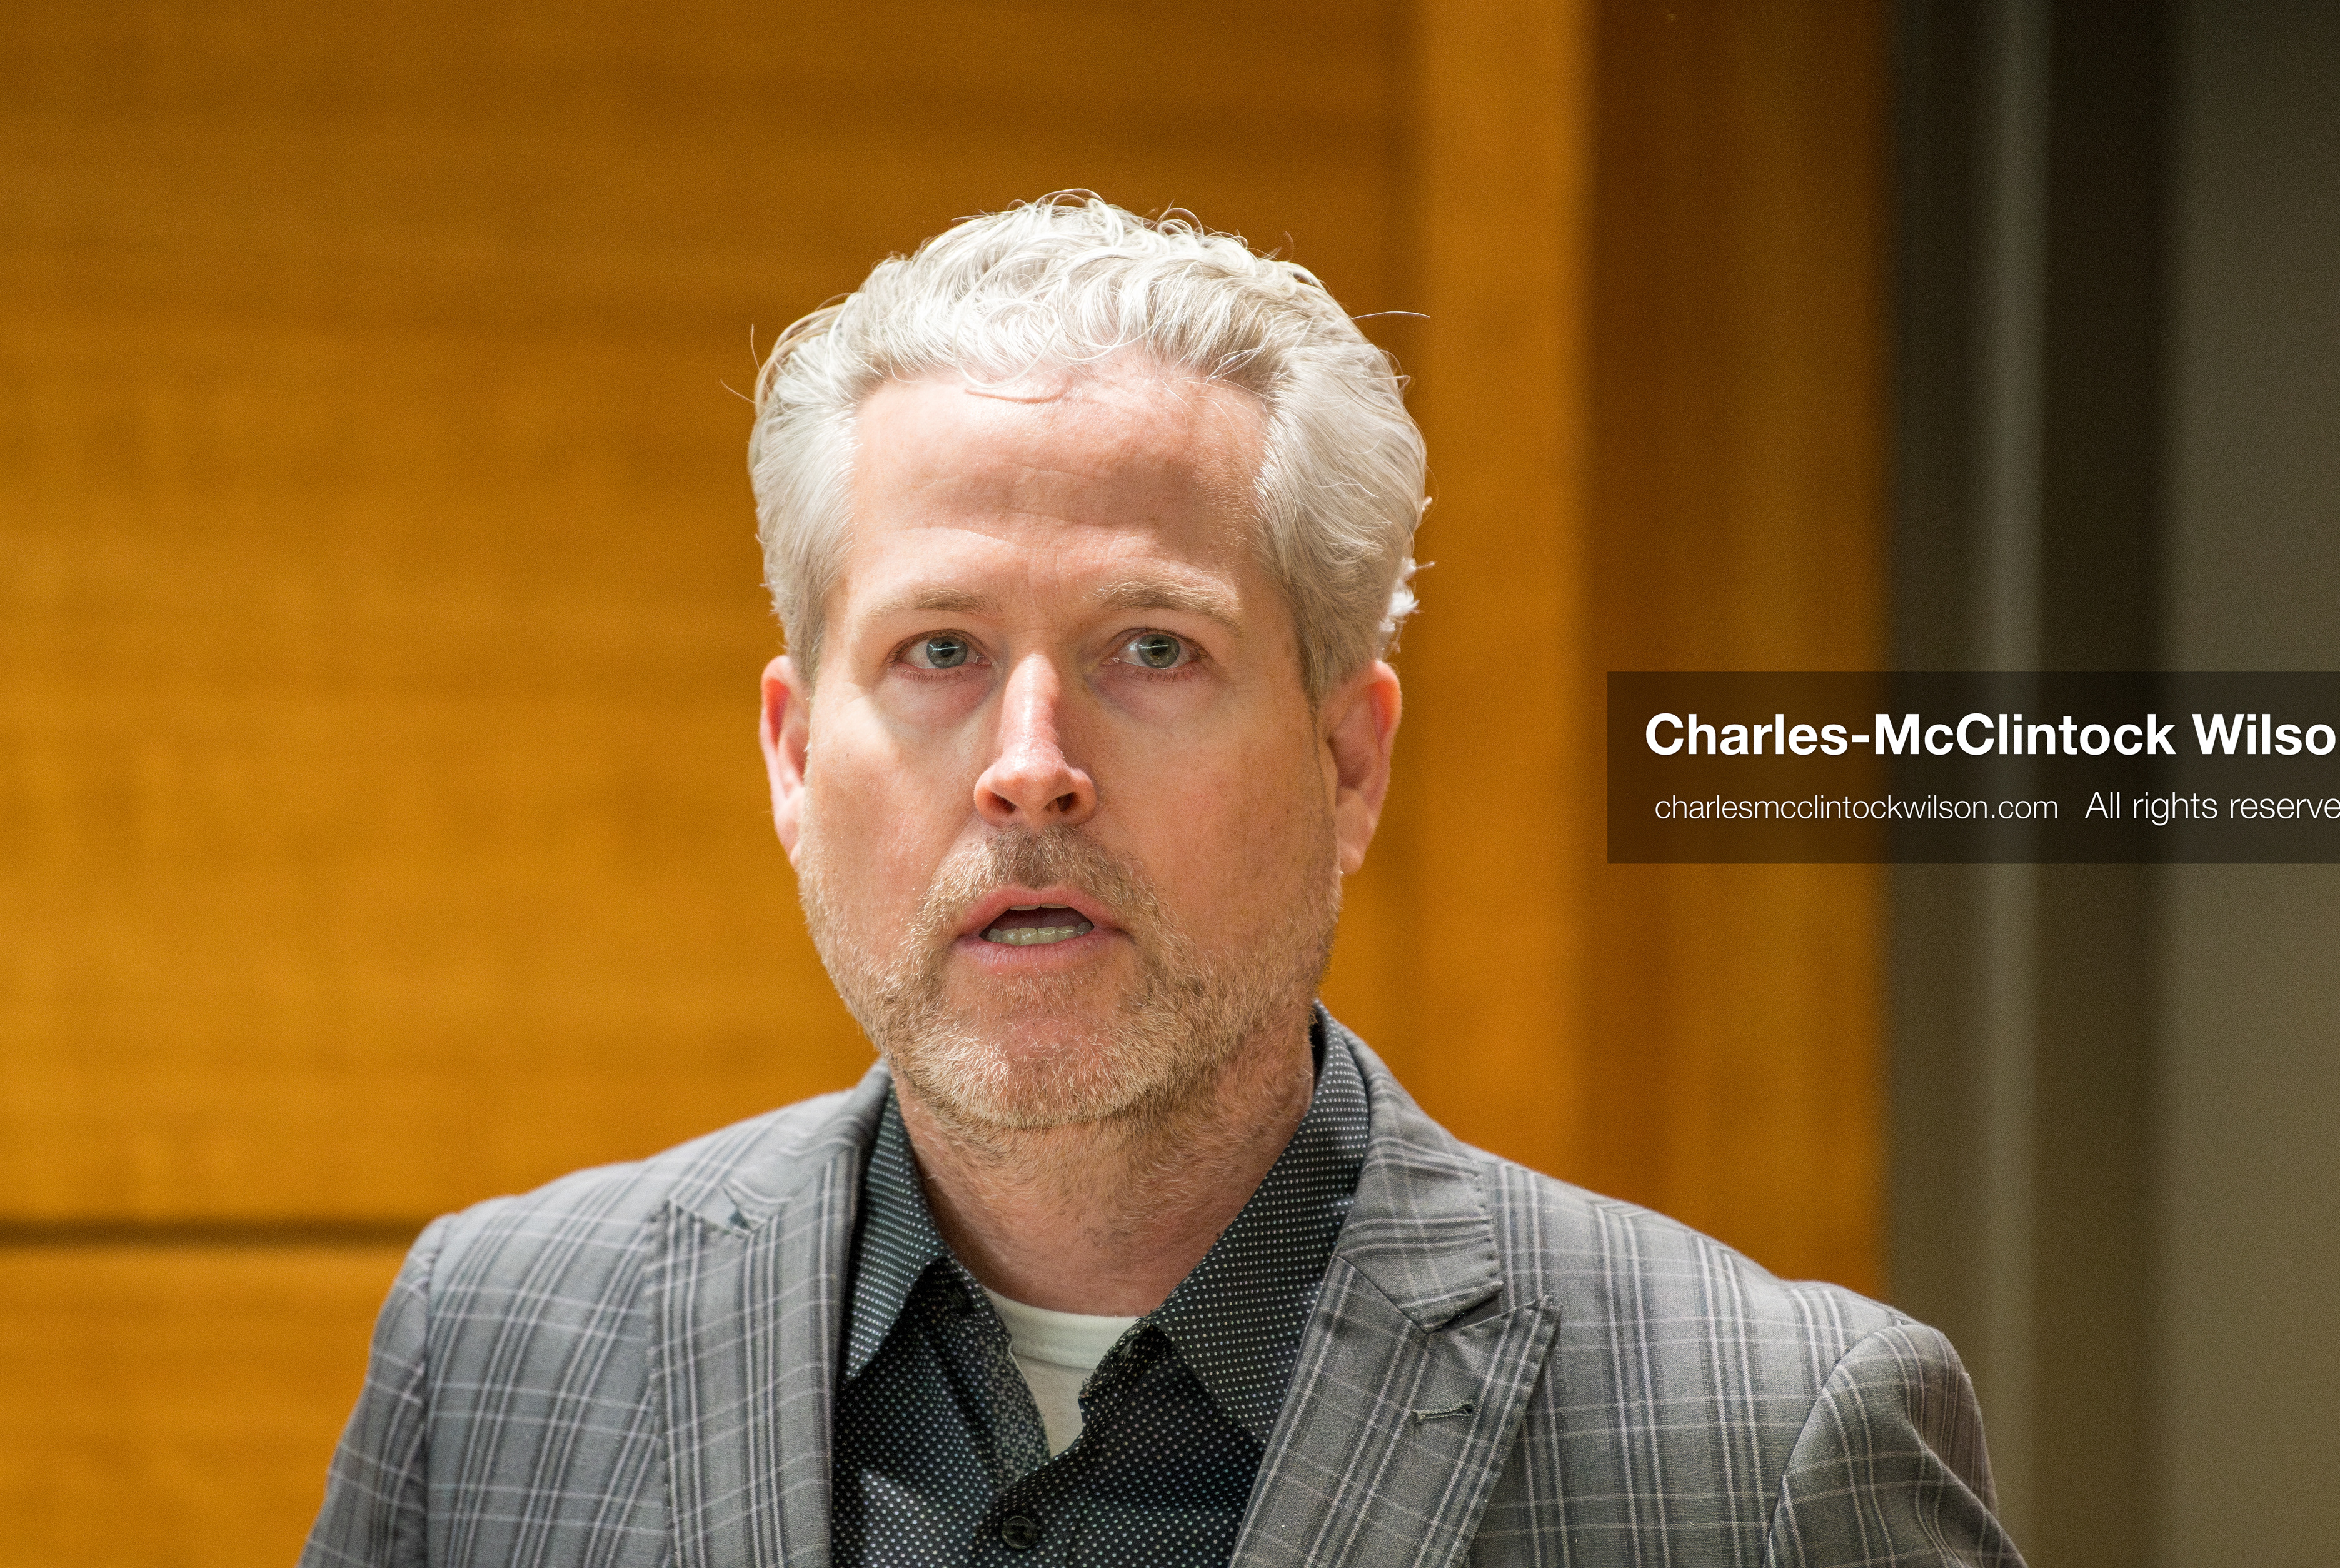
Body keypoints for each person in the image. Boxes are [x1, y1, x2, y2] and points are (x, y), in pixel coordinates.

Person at [302, 195, 2019, 1567]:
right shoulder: (497, 1354)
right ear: (791, 757)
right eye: (939, 648)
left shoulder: (1774, 1448)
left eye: (1151, 647)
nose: (1029, 759)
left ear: (1350, 761)